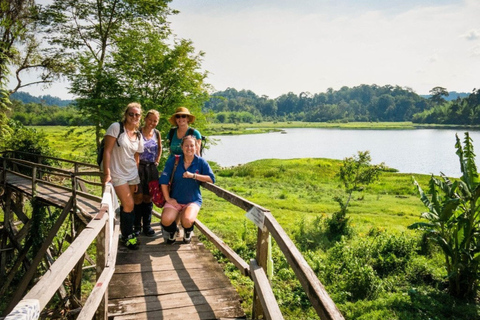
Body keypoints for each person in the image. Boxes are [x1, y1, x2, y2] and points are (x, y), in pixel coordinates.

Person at [102, 102, 144, 250]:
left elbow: (136, 157)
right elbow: (107, 151)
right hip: (117, 172)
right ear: (125, 115)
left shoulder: (138, 135)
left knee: (129, 205)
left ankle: (127, 232)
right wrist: (107, 174)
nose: (134, 117)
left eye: (137, 115)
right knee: (129, 204)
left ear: (140, 117)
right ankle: (127, 236)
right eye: (131, 114)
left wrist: (136, 176)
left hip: (132, 173)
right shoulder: (116, 128)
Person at [159, 135, 215, 244]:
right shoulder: (174, 161)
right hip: (175, 199)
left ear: (196, 146)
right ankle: (173, 231)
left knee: (187, 221)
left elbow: (211, 179)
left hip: (192, 200)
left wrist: (193, 176)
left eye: (192, 145)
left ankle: (188, 231)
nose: (189, 148)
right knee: (165, 220)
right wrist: (168, 199)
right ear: (181, 147)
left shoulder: (201, 162)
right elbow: (163, 181)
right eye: (186, 146)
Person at [134, 110, 162, 237]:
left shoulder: (157, 133)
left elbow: (160, 147)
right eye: (150, 119)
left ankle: (147, 226)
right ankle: (136, 226)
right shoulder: (137, 132)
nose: (152, 123)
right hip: (139, 167)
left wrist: (157, 160)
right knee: (138, 197)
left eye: (155, 121)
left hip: (151, 169)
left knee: (148, 197)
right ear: (145, 119)